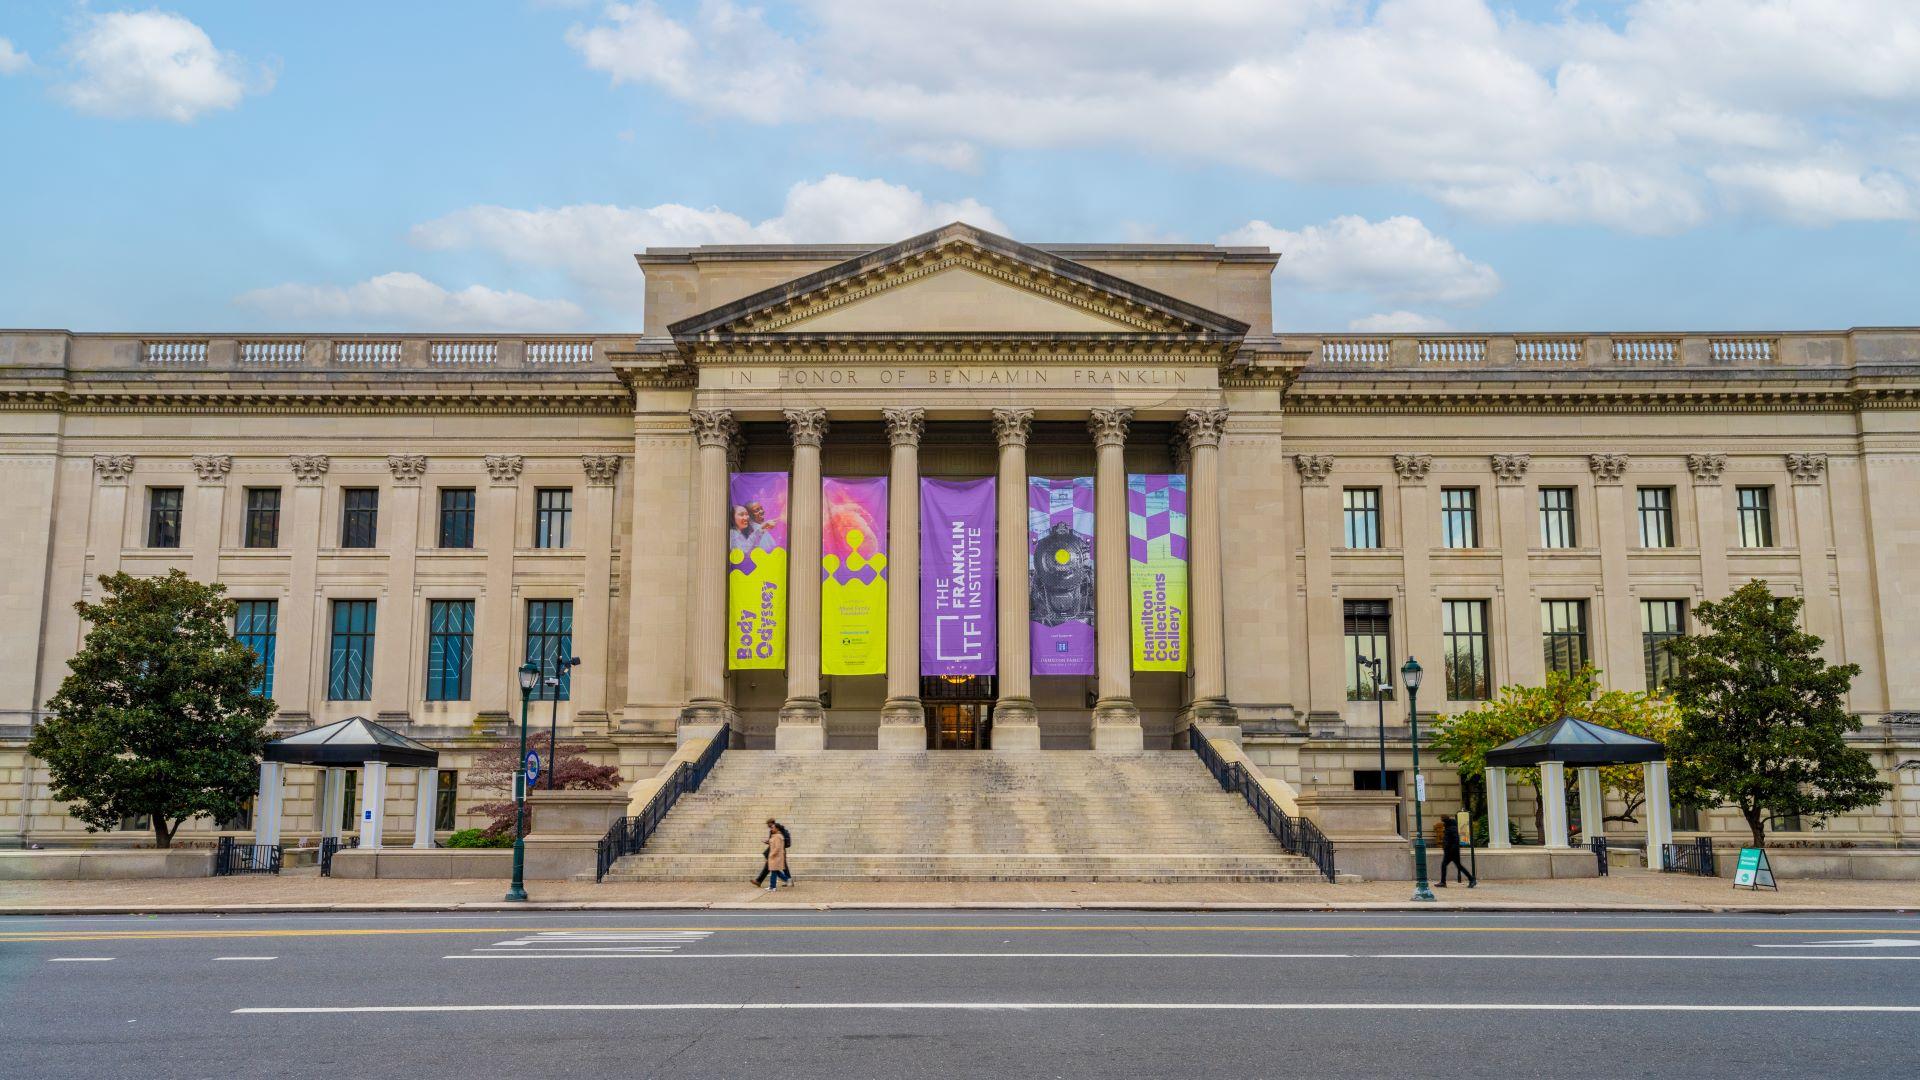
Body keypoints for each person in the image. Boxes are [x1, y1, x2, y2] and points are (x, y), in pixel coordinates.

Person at [1438, 816, 1476, 888]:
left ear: (1446, 822)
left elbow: (1455, 840)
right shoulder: (1449, 828)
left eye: (1443, 822)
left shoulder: (1451, 828)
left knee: (1454, 866)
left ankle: (1471, 879)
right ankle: (1443, 882)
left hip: (1452, 852)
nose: (1443, 823)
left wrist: (1450, 849)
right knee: (1455, 866)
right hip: (1450, 851)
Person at [753, 819, 793, 886]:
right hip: (776, 852)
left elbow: (777, 845)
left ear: (772, 823)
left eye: (769, 824)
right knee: (773, 867)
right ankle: (787, 881)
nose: (768, 826)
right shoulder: (774, 830)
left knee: (773, 867)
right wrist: (768, 842)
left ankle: (786, 881)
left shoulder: (777, 831)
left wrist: (771, 854)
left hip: (777, 852)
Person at [764, 819, 791, 891]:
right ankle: (786, 880)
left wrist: (771, 855)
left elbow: (777, 847)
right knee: (775, 871)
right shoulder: (775, 835)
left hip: (776, 857)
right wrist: (767, 841)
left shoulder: (778, 836)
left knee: (774, 871)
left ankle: (773, 887)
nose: (771, 829)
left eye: (773, 828)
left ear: (777, 828)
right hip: (776, 856)